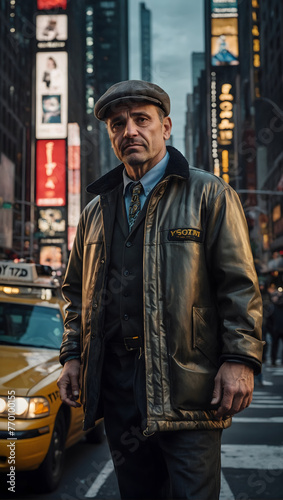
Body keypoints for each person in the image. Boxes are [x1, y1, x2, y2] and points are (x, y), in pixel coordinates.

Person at [57, 80, 264, 500]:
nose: (129, 130)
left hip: (188, 387)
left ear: (165, 127)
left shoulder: (208, 192)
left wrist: (241, 358)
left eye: (141, 120)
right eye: (118, 124)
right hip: (117, 388)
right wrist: (72, 355)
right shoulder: (96, 209)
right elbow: (75, 295)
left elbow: (239, 285)